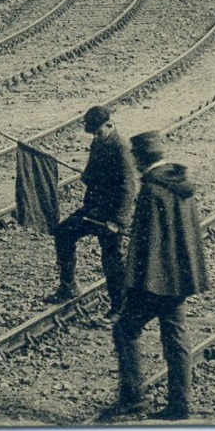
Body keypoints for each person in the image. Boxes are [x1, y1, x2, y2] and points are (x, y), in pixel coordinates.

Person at [101, 130, 211, 422]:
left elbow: (146, 243)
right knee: (176, 337)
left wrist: (133, 285)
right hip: (179, 278)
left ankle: (133, 399)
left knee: (125, 329)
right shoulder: (180, 184)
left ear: (138, 159)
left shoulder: (151, 190)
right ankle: (180, 403)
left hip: (154, 280)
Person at [47, 104, 137, 309]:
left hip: (111, 215)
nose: (95, 135)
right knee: (63, 233)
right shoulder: (98, 142)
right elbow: (91, 174)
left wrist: (117, 221)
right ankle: (68, 286)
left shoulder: (121, 147)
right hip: (93, 210)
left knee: (112, 260)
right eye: (92, 132)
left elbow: (128, 187)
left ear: (109, 124)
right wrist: (87, 176)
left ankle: (119, 307)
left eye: (98, 131)